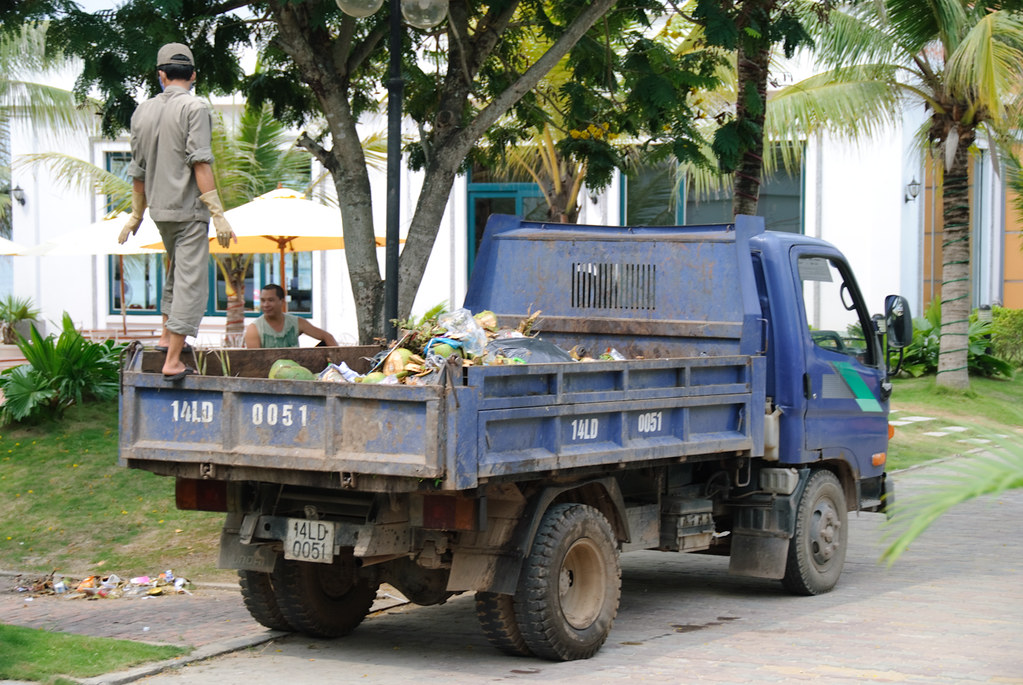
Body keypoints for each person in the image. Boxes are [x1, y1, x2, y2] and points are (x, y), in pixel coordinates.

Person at [118, 42, 235, 381]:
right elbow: (200, 161)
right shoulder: (195, 108)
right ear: (194, 75)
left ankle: (165, 338)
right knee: (191, 284)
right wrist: (218, 213)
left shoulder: (142, 111)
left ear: (162, 75)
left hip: (159, 212)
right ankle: (172, 360)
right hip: (188, 212)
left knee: (175, 276)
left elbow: (137, 171)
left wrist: (135, 215)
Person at [245, 284, 337, 348]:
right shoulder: (254, 329)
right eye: (263, 300)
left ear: (282, 301)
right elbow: (255, 360)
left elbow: (328, 337)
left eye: (271, 300)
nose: (266, 304)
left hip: (296, 372)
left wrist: (341, 363)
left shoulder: (296, 322)